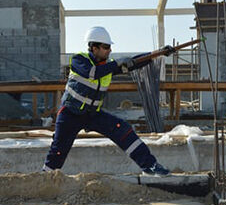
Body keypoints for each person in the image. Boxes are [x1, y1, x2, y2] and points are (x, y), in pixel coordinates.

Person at [42, 26, 174, 176]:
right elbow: (92, 73)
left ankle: (150, 166)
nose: (109, 50)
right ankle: (45, 177)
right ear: (94, 48)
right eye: (105, 47)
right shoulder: (79, 60)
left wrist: (157, 54)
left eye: (109, 47)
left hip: (93, 114)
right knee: (58, 150)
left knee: (123, 130)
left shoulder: (107, 65)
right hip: (70, 114)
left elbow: (134, 63)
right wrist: (117, 64)